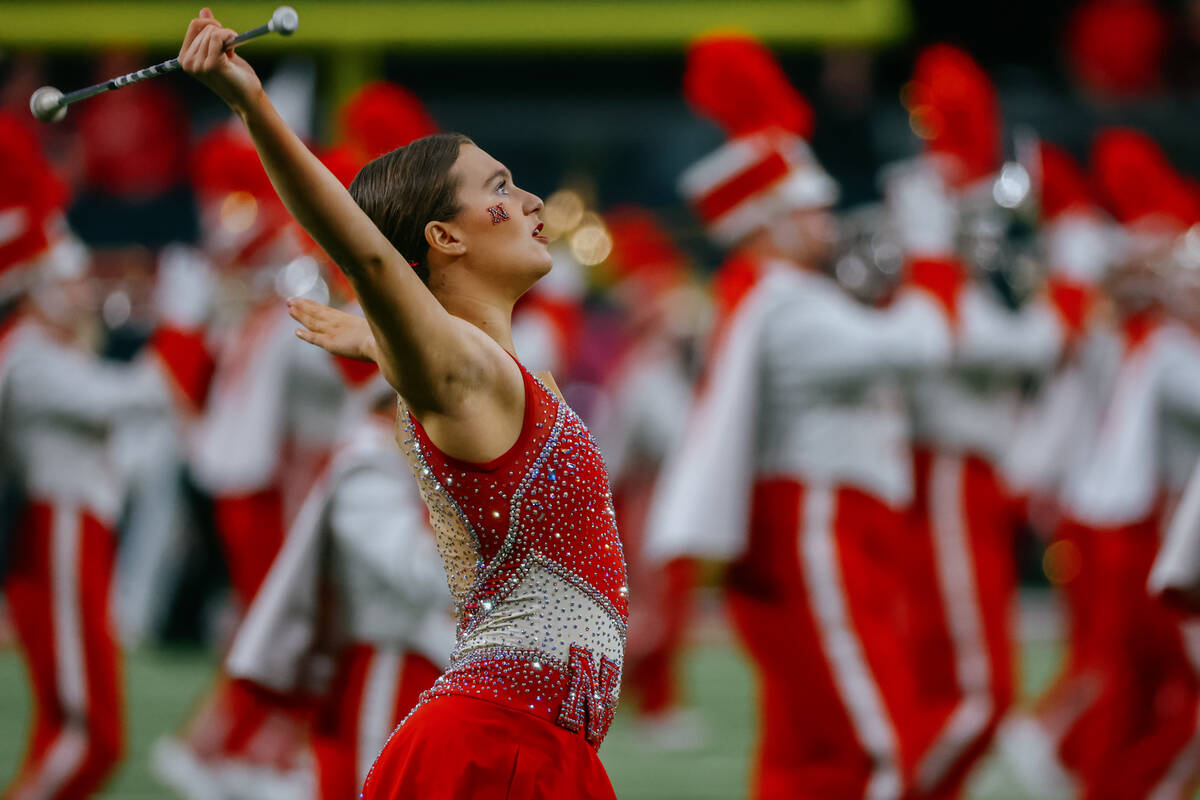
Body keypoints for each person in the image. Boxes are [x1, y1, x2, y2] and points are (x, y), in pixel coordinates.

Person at [178, 9, 628, 798]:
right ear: (444, 239)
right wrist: (251, 105)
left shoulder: (476, 370)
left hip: (535, 745)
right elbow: (370, 258)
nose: (531, 202)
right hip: (494, 750)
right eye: (498, 188)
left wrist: (372, 344)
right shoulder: (464, 373)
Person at [646, 33, 962, 800]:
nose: (828, 225)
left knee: (807, 758)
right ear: (769, 218)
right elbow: (925, 344)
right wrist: (931, 250)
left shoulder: (784, 296)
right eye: (811, 211)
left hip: (833, 523)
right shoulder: (781, 304)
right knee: (875, 748)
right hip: (819, 526)